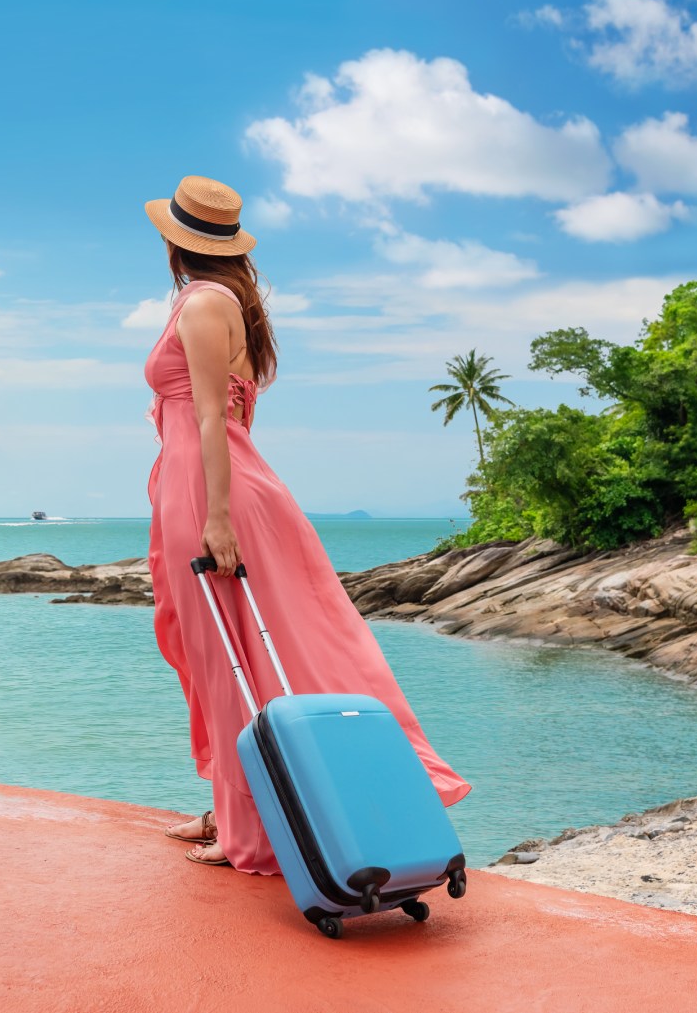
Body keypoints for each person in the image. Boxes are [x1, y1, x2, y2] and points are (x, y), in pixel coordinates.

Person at [141, 175, 471, 872]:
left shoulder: (202, 305)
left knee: (234, 660)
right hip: (211, 486)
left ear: (177, 243)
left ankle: (248, 833)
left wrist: (218, 517)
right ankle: (239, 808)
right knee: (246, 656)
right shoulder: (226, 303)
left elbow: (209, 419)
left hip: (207, 492)